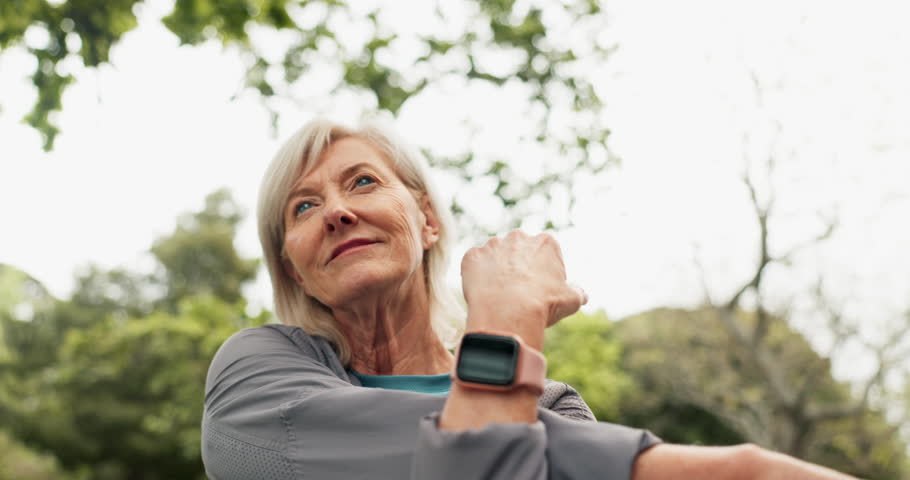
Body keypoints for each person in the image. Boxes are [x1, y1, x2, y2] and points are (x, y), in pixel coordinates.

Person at [201, 118, 858, 479]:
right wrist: (508, 315)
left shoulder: (552, 404)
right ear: (292, 267)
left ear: (427, 220)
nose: (337, 211)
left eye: (362, 182)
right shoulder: (259, 376)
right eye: (305, 206)